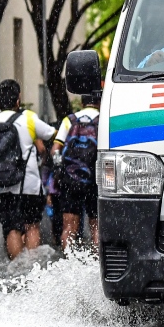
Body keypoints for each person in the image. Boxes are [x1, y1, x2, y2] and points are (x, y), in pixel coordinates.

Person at [0, 79, 56, 260]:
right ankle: (31, 271)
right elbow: (51, 134)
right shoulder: (29, 118)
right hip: (29, 186)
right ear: (18, 100)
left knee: (11, 228)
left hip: (0, 188)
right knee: (32, 225)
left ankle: (17, 271)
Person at [53, 91, 102, 249]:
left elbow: (55, 149)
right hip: (95, 178)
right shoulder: (103, 120)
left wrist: (60, 170)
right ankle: (97, 263)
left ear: (82, 103)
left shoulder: (70, 120)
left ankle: (68, 261)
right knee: (96, 225)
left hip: (71, 179)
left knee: (69, 225)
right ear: (100, 103)